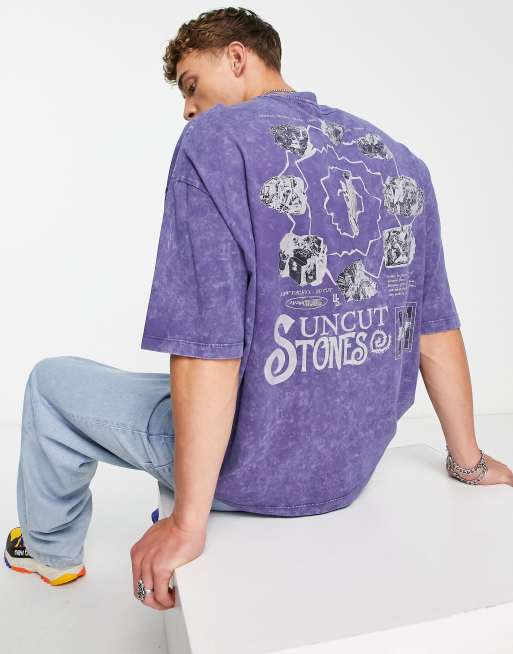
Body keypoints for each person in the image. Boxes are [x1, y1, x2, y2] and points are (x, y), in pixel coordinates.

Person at [5, 6, 513, 611]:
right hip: (351, 467)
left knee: (51, 384)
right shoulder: (398, 158)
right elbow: (433, 326)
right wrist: (468, 461)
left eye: (191, 85)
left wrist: (187, 523)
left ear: (237, 57)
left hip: (253, 469)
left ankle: (50, 552)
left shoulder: (215, 144)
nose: (188, 109)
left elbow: (208, 344)